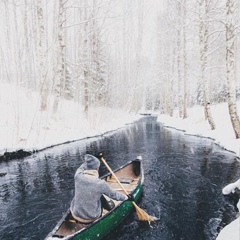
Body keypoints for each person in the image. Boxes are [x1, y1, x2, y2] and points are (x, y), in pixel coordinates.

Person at [70, 154, 131, 223]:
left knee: (85, 193)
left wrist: (91, 160)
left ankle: (80, 215)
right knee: (101, 196)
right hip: (91, 217)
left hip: (75, 214)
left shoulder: (78, 175)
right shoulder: (100, 184)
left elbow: (82, 167)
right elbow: (114, 195)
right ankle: (110, 209)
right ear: (97, 169)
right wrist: (127, 197)